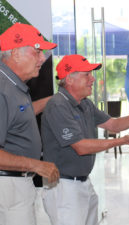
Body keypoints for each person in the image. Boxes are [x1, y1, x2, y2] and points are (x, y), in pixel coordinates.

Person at [41, 54, 129, 225]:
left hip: (83, 183)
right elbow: (80, 147)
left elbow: (113, 125)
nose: (92, 79)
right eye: (87, 74)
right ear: (69, 79)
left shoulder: (85, 103)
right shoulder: (58, 105)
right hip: (64, 187)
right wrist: (120, 141)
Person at [0, 23, 60, 225]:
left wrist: (52, 100)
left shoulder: (13, 85)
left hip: (16, 186)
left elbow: (17, 115)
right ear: (16, 53)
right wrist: (35, 164)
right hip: (8, 187)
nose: (43, 58)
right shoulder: (3, 88)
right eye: (37, 51)